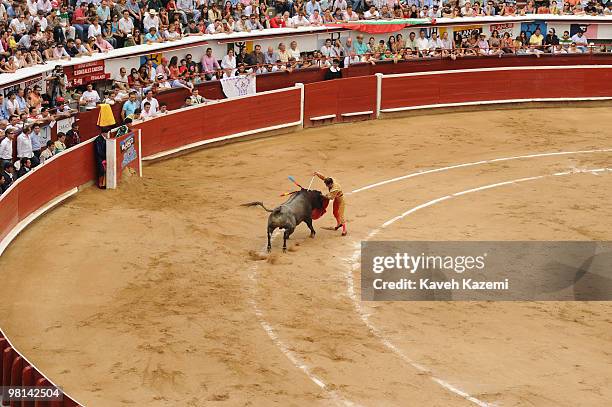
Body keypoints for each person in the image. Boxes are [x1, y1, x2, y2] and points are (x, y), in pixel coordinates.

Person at [313, 171, 347, 236]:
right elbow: (323, 178)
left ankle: (344, 230)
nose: (327, 186)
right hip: (337, 199)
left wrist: (323, 196)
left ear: (331, 183)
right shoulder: (330, 180)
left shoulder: (335, 189)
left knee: (340, 214)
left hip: (340, 200)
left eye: (327, 185)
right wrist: (317, 173)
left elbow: (331, 198)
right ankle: (339, 223)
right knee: (335, 212)